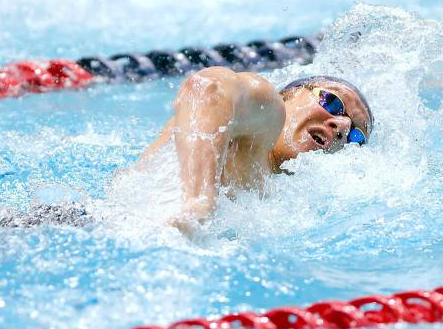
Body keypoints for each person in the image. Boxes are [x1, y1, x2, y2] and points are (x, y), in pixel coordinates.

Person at [136, 68, 373, 234]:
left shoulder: (278, 198)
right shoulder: (269, 111)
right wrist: (198, 203)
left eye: (355, 136)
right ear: (287, 96)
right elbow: (207, 87)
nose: (342, 127)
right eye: (332, 102)